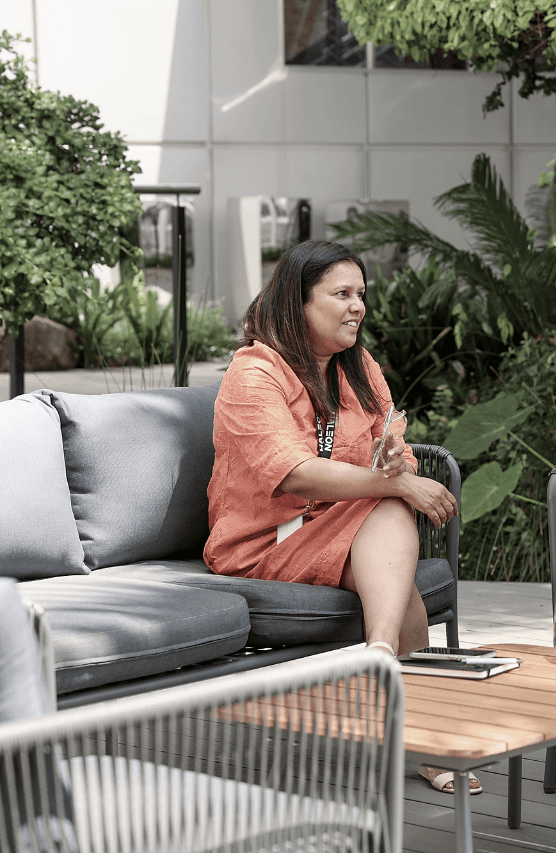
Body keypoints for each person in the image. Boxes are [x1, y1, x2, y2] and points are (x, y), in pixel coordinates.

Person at [204, 240, 473, 795]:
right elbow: (293, 473)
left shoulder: (359, 368)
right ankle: (419, 724)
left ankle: (379, 658)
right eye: (342, 294)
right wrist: (393, 481)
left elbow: (391, 445)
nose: (358, 307)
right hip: (264, 541)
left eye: (362, 295)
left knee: (395, 556)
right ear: (297, 304)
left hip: (340, 526)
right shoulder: (254, 373)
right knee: (392, 509)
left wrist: (393, 464)